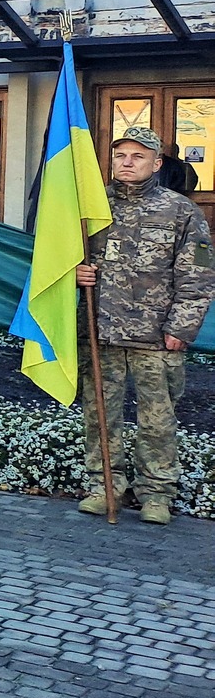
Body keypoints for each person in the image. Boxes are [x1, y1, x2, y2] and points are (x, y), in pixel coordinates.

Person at [73, 126, 214, 525]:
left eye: (138, 156)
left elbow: (199, 276)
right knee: (100, 414)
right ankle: (104, 486)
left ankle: (157, 493)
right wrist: (76, 273)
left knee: (157, 419)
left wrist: (181, 329)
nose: (128, 162)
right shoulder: (90, 207)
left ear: (156, 163)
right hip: (101, 332)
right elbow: (60, 260)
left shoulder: (181, 211)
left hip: (156, 336)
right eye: (121, 155)